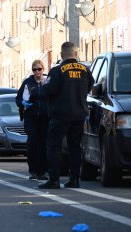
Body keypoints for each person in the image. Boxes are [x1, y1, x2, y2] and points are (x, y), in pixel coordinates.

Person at [38, 42, 94, 189]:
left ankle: (54, 180)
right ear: (75, 54)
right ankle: (74, 179)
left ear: (62, 55)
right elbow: (90, 86)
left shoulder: (57, 70)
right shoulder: (85, 70)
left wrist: (42, 87)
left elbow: (49, 90)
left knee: (54, 146)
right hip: (79, 114)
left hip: (60, 114)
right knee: (75, 146)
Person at [16, 60, 49, 180]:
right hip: (31, 117)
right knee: (33, 142)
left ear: (43, 69)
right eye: (34, 69)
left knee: (44, 144)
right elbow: (18, 98)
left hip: (45, 118)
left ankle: (43, 171)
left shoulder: (47, 82)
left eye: (39, 69)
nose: (37, 72)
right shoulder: (27, 83)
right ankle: (33, 170)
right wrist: (23, 103)